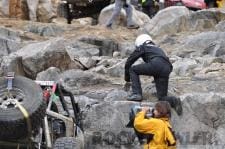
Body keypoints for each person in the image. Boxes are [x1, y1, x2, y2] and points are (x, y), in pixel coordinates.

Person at [124, 34, 182, 115]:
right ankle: (174, 100)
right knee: (162, 98)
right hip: (167, 68)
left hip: (156, 65)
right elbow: (165, 63)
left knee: (133, 69)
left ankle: (136, 94)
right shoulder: (159, 49)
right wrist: (158, 79)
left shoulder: (143, 47)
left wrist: (127, 78)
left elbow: (129, 61)